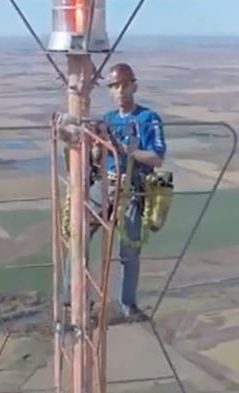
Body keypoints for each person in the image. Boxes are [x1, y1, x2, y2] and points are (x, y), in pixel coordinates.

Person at [60, 62, 167, 321]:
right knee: (78, 236)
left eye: (125, 85)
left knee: (129, 253)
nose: (120, 91)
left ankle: (126, 304)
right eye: (115, 86)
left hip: (131, 189)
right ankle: (72, 299)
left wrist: (123, 149)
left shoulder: (147, 119)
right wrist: (94, 145)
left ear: (134, 86)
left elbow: (156, 157)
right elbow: (95, 155)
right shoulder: (106, 120)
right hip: (103, 186)